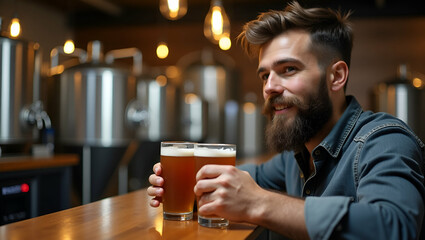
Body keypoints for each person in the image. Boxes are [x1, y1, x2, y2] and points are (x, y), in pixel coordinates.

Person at [147, 2, 425, 239]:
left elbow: (394, 226)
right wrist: (184, 184)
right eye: (265, 75)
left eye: (288, 69)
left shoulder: (385, 140)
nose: (270, 87)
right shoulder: (296, 158)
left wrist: (259, 203)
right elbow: (233, 183)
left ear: (337, 76)